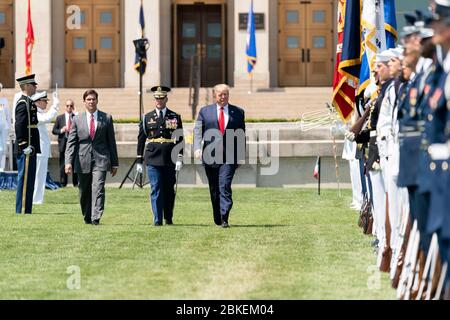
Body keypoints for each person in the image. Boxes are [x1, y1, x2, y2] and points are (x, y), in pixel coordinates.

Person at [193, 84, 246, 228]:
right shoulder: (205, 112)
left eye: (225, 94)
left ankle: (225, 217)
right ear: (214, 95)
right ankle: (217, 215)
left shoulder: (238, 112)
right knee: (214, 189)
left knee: (225, 185)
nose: (223, 97)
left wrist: (241, 155)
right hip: (210, 156)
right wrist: (197, 148)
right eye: (220, 94)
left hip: (230, 156)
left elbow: (241, 135)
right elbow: (198, 131)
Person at [65, 90, 119, 225]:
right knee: (84, 190)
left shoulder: (106, 118)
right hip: (82, 159)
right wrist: (68, 162)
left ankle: (96, 217)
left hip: (101, 158)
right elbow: (71, 142)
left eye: (93, 99)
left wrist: (114, 163)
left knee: (98, 187)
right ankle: (87, 215)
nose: (91, 101)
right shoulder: (77, 119)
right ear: (84, 102)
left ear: (97, 100)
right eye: (88, 99)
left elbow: (111, 142)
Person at [136, 86, 184, 226]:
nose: (159, 100)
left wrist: (180, 157)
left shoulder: (174, 116)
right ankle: (157, 219)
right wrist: (139, 160)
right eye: (157, 98)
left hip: (169, 157)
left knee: (169, 189)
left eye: (161, 98)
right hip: (153, 157)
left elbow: (180, 139)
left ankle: (168, 216)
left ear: (166, 99)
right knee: (156, 188)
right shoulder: (147, 117)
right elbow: (141, 139)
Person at [14, 74, 40, 214]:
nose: (35, 86)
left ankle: (27, 209)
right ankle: (22, 209)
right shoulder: (22, 103)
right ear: (26, 86)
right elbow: (19, 125)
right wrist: (23, 145)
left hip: (32, 146)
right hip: (26, 147)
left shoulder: (29, 101)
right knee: (24, 179)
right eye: (33, 84)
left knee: (29, 179)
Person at [32, 91, 59, 204]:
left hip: (41, 151)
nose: (46, 104)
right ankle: (36, 200)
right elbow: (47, 118)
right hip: (39, 151)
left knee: (40, 176)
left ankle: (37, 199)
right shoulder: (35, 113)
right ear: (38, 102)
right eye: (44, 101)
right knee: (38, 176)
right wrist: (55, 105)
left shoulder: (39, 112)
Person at [52, 99, 78, 187]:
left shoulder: (76, 117)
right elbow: (54, 130)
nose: (69, 107)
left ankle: (76, 183)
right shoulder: (60, 118)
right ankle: (63, 183)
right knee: (63, 164)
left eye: (71, 106)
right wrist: (61, 130)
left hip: (74, 144)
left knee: (74, 164)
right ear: (65, 107)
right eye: (67, 105)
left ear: (73, 107)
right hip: (63, 143)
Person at [0, 82, 11, 172]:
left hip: (3, 127)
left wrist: (9, 128)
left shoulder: (4, 101)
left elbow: (8, 115)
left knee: (3, 148)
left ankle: (2, 167)